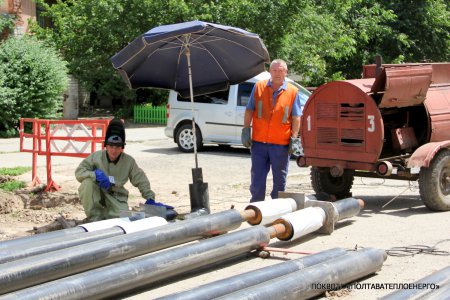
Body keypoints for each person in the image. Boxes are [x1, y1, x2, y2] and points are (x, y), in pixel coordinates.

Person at [75, 118, 173, 222]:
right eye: (111, 146)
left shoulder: (128, 161)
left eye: (117, 147)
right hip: (98, 192)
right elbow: (79, 172)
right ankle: (94, 219)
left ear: (122, 148)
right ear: (106, 146)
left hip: (116, 196)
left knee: (123, 219)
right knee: (87, 183)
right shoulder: (96, 157)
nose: (114, 150)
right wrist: (94, 175)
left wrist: (150, 198)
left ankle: (107, 215)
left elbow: (140, 178)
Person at [241, 59, 302, 202]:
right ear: (270, 71)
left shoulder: (293, 92)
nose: (277, 73)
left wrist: (294, 138)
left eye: (281, 71)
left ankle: (277, 208)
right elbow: (249, 110)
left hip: (281, 144)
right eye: (274, 70)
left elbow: (296, 117)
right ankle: (256, 208)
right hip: (259, 143)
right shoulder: (259, 87)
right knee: (257, 178)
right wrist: (245, 130)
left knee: (279, 180)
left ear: (286, 72)